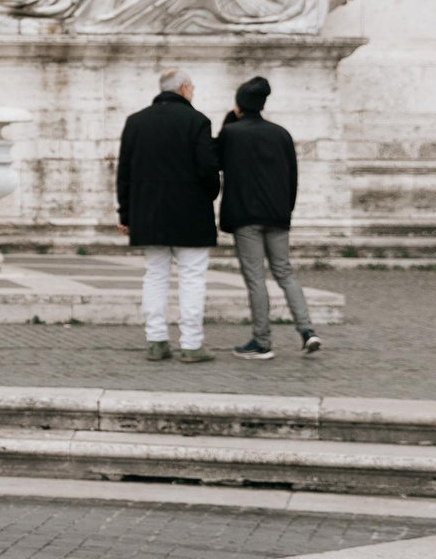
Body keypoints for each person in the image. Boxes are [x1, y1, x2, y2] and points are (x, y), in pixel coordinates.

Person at [116, 67, 219, 365]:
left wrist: (126, 212)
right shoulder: (197, 121)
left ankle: (156, 340)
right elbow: (208, 169)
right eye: (193, 87)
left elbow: (124, 172)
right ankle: (191, 343)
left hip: (147, 212)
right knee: (192, 277)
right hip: (191, 212)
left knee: (155, 275)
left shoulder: (135, 122)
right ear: (184, 88)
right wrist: (208, 196)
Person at [218, 76, 322, 360]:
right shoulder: (281, 134)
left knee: (256, 279)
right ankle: (307, 330)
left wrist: (228, 124)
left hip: (245, 217)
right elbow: (292, 177)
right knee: (285, 272)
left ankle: (262, 341)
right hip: (277, 214)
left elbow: (217, 163)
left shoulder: (231, 134)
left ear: (239, 104)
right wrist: (286, 210)